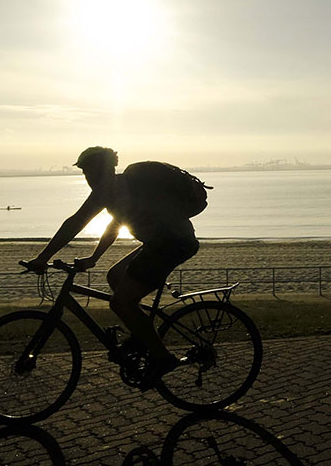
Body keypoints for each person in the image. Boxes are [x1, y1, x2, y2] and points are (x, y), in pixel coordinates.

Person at [22, 146, 200, 387]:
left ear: (101, 169)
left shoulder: (107, 191)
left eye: (88, 171)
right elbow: (116, 225)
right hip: (161, 242)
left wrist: (43, 257)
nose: (87, 177)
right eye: (84, 172)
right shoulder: (120, 187)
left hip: (173, 244)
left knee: (120, 303)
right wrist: (94, 257)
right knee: (115, 275)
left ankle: (163, 359)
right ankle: (141, 335)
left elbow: (75, 222)